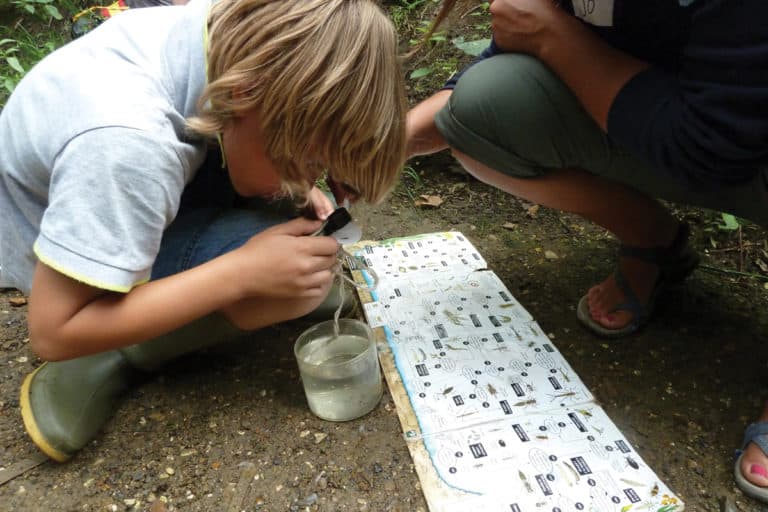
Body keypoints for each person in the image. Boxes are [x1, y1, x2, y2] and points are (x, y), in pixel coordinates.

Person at [0, 0, 407, 462]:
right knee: (286, 290)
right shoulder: (129, 146)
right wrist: (241, 273)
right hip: (64, 273)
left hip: (104, 192)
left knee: (293, 244)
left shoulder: (234, 34)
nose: (309, 179)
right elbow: (52, 333)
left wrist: (296, 180)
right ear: (243, 96)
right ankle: (116, 354)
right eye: (311, 163)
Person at [407, 0, 768, 504]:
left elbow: (714, 147)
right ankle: (655, 243)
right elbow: (503, 57)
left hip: (735, 138)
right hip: (674, 112)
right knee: (482, 103)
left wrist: (554, 36)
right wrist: (384, 146)